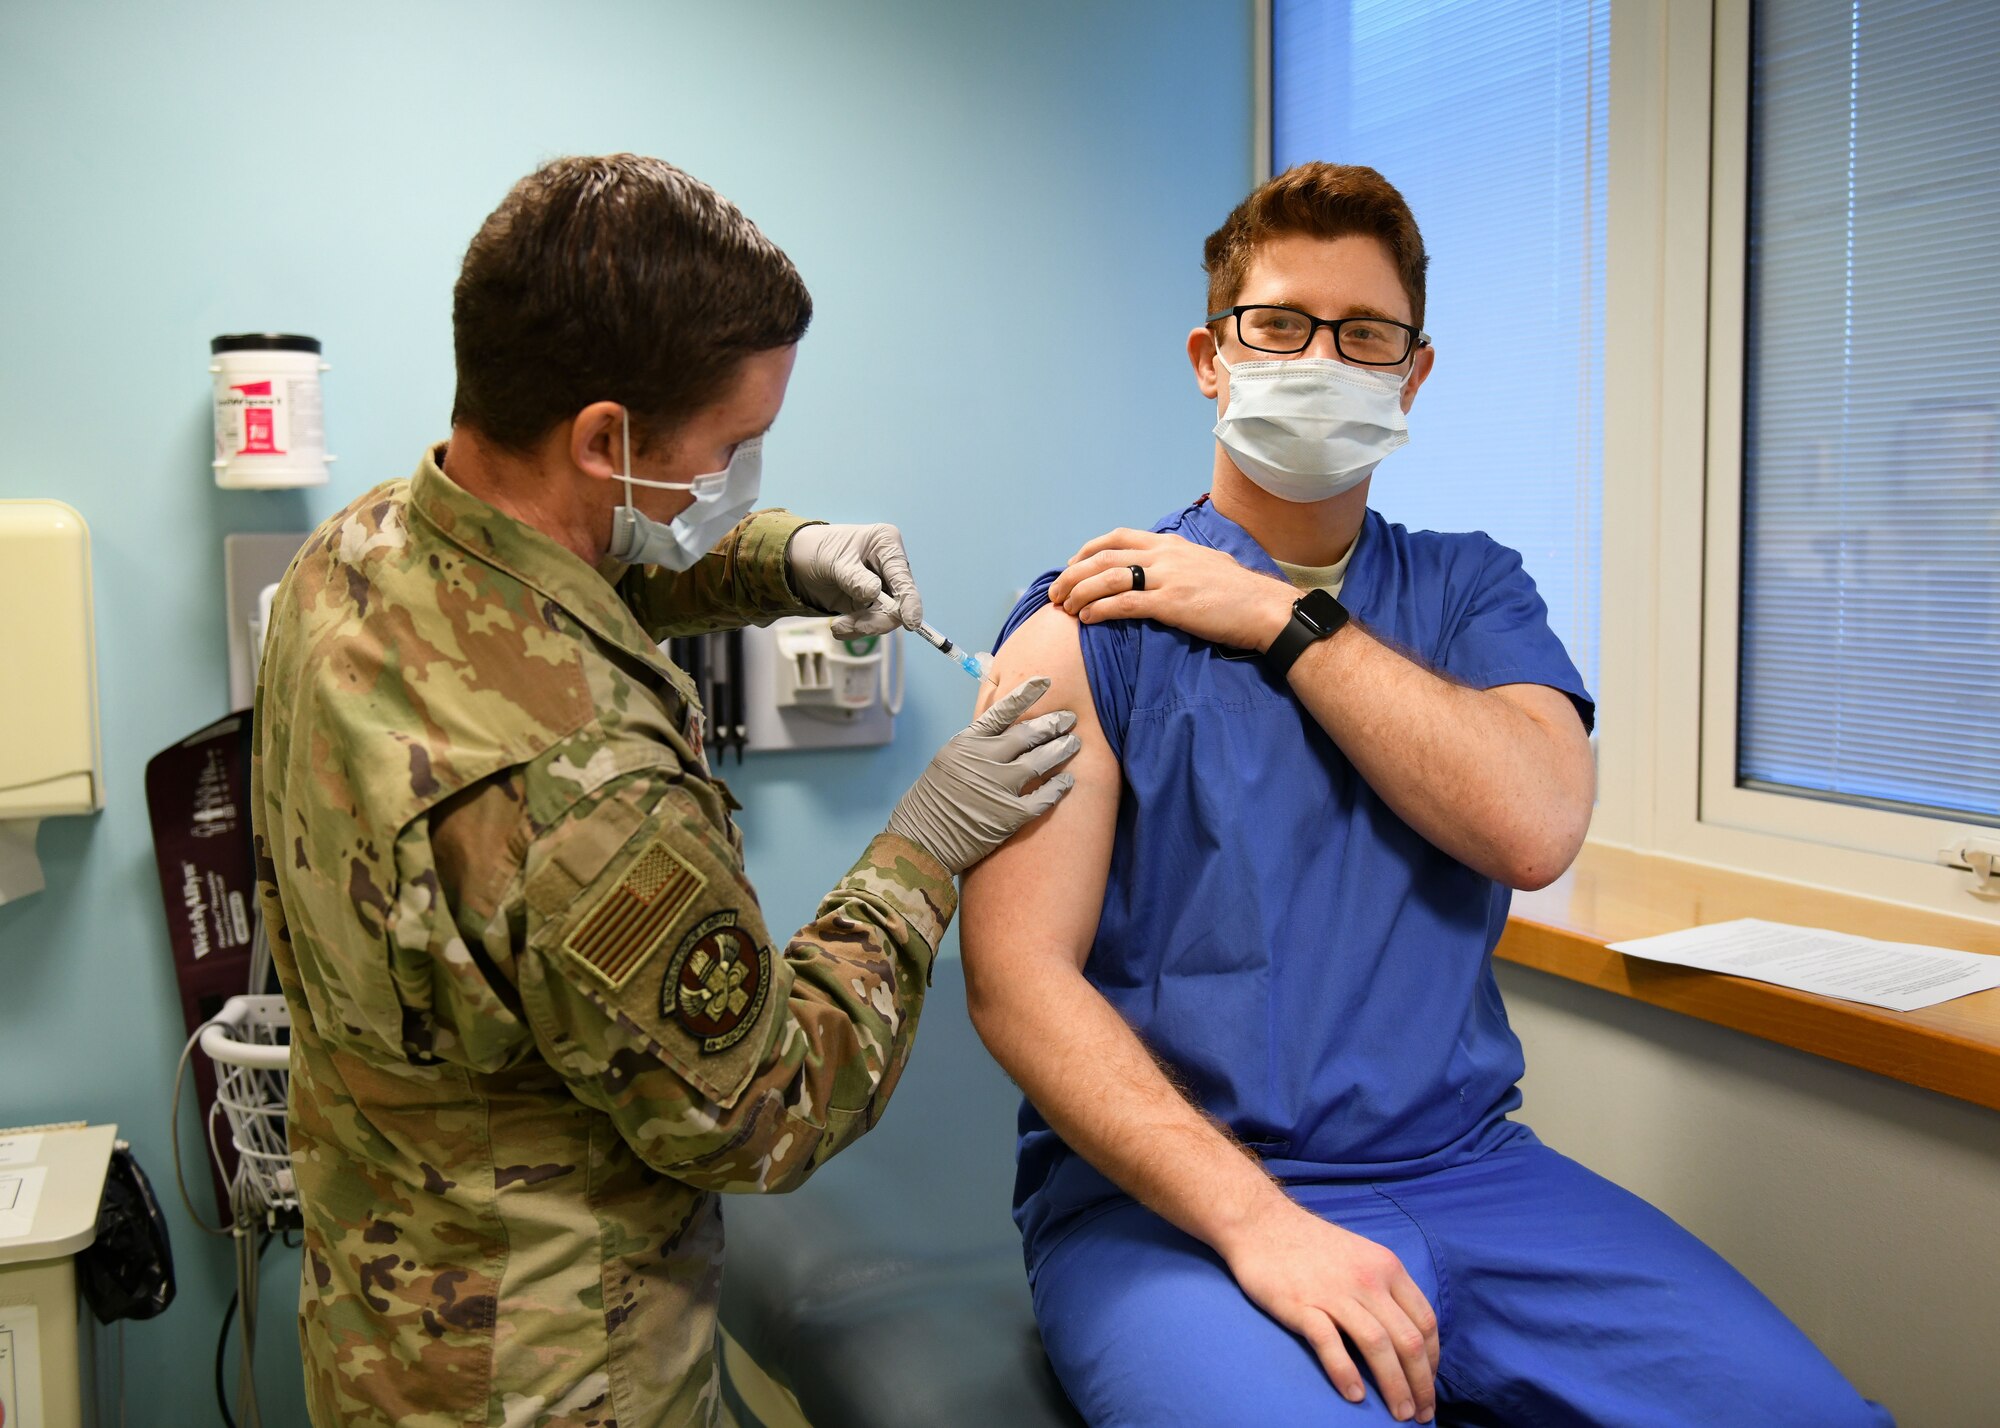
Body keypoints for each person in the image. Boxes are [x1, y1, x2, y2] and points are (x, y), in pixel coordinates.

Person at [960, 163, 1890, 1427]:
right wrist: (1259, 1225)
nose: (1320, 360)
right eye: (1278, 326)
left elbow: (1530, 827)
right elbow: (1017, 982)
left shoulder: (1470, 594)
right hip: (1174, 1208)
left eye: (1364, 336)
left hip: (1474, 1174)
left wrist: (1279, 618)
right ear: (1208, 356)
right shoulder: (1087, 626)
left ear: (1413, 372)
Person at [251, 154, 1078, 1428]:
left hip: (377, 1320)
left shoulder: (349, 560)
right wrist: (923, 847)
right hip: (546, 1375)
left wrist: (781, 555)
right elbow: (763, 1108)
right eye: (733, 450)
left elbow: (562, 584)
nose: (738, 473)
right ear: (602, 436)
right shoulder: (585, 796)